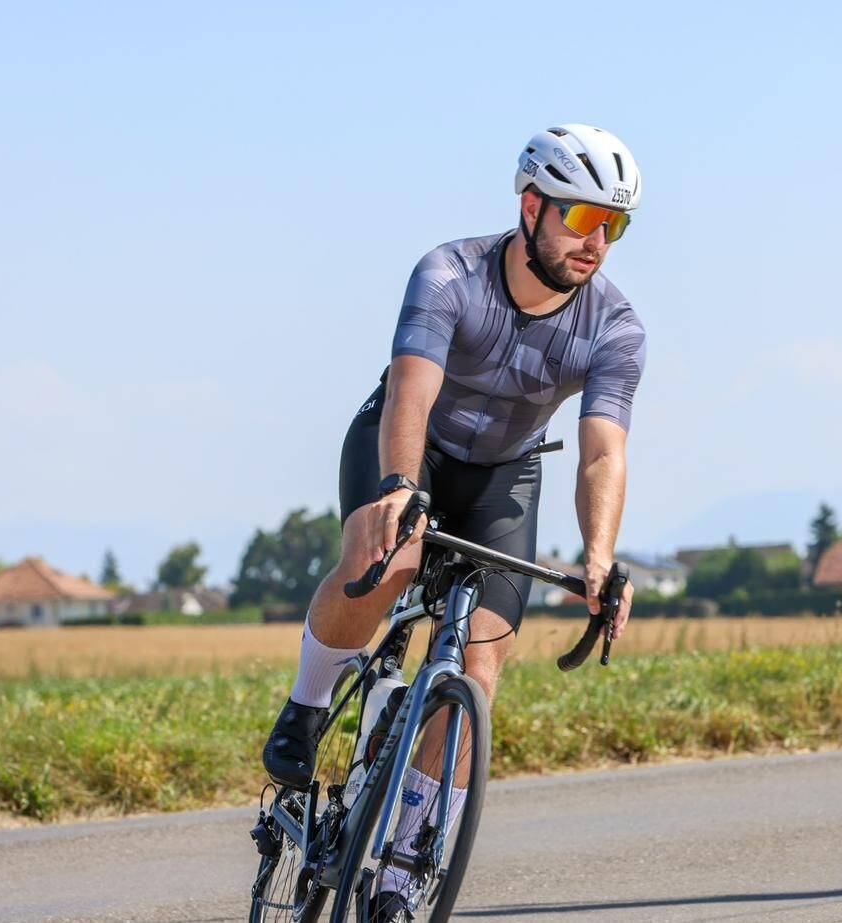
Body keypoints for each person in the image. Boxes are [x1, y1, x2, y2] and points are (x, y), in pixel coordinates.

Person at [261, 123, 646, 917]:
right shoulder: (450, 273)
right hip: (410, 441)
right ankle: (305, 705)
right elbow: (412, 388)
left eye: (616, 225)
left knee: (480, 665)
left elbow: (602, 452)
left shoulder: (615, 326)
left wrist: (599, 557)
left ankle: (403, 874)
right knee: (392, 558)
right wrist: (399, 487)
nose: (597, 242)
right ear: (532, 205)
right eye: (581, 219)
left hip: (506, 472)